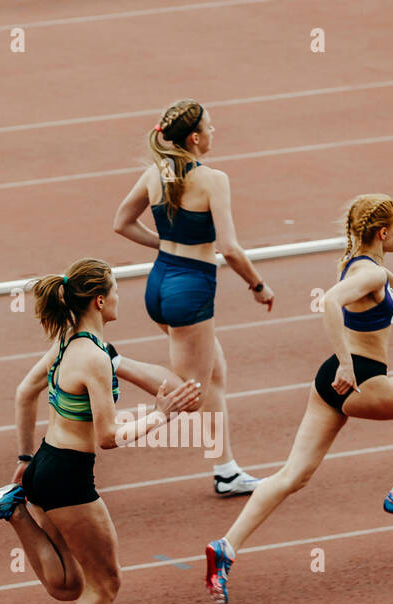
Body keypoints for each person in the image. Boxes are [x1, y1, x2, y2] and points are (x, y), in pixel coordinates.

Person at [0, 258, 199, 604]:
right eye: (117, 291)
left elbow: (23, 392)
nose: (122, 298)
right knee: (106, 584)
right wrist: (160, 416)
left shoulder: (70, 343)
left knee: (68, 586)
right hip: (70, 478)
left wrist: (24, 458)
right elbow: (108, 438)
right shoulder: (93, 358)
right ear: (100, 300)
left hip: (45, 465)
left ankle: (13, 510)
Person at [203, 194, 393, 604]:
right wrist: (345, 362)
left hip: (331, 385)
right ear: (382, 232)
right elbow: (331, 301)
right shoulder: (369, 275)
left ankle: (224, 549)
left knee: (293, 476)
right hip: (360, 380)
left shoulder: (367, 266)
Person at [113, 98, 274, 497]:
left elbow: (122, 223)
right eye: (211, 127)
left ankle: (227, 470)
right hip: (192, 289)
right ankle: (116, 362)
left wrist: (165, 243)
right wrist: (258, 286)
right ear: (195, 137)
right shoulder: (212, 180)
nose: (215, 133)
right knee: (192, 389)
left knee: (214, 373)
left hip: (160, 281)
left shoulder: (155, 174)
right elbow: (231, 249)